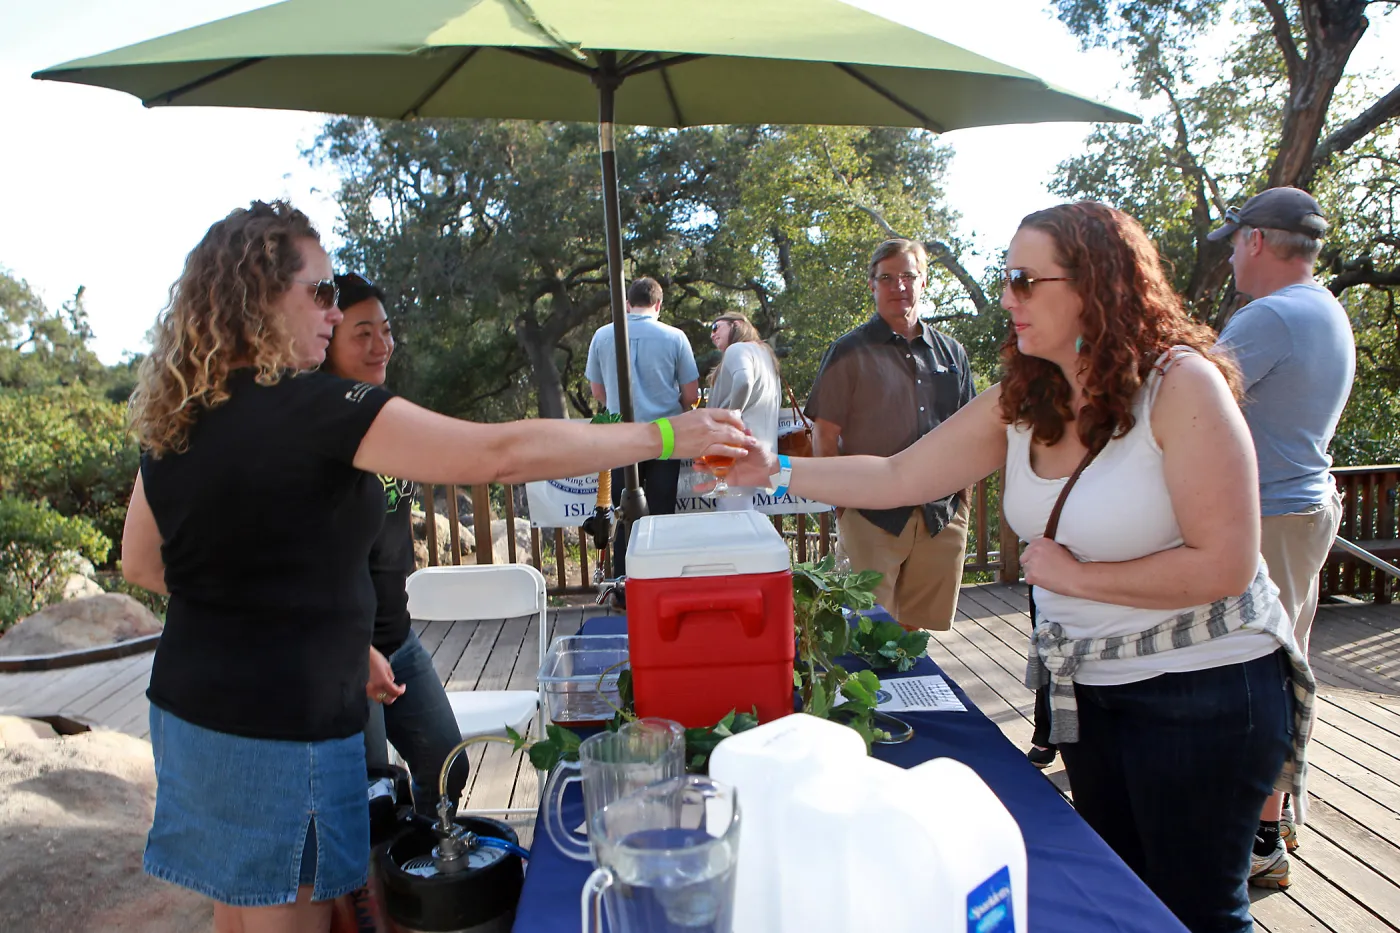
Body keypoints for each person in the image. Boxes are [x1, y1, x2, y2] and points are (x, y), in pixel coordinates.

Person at [120, 201, 750, 933]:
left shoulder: (181, 412)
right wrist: (667, 431)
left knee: (238, 913)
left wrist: (314, 629)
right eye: (319, 292)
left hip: (190, 715)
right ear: (258, 296)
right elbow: (495, 453)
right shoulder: (313, 406)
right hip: (279, 732)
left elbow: (148, 562)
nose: (333, 310)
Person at [719, 202, 1315, 933]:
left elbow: (1224, 564)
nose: (1007, 297)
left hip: (1208, 695)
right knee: (1128, 903)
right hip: (1094, 693)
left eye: (1024, 279)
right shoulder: (1025, 397)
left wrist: (1078, 578)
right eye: (1008, 279)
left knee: (1198, 913)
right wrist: (773, 469)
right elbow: (898, 475)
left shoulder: (1182, 385)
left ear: (1096, 284)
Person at [1209, 187, 1355, 888]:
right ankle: (1279, 807)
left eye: (1235, 242)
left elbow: (1185, 391)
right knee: (1288, 663)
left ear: (1258, 241)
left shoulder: (1270, 316)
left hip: (1270, 519)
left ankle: (1262, 835)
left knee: (1260, 677)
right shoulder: (1324, 308)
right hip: (1304, 512)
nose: (1232, 255)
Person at [323, 272, 466, 814]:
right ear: (327, 340)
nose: (380, 345)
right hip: (346, 648)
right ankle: (374, 892)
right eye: (362, 334)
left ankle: (425, 871)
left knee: (448, 766)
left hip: (397, 634)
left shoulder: (382, 412)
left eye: (385, 331)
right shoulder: (322, 426)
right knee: (370, 794)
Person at [804, 238, 976, 632]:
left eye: (908, 276)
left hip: (940, 515)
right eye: (887, 278)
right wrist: (843, 504)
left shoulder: (951, 354)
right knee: (865, 629)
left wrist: (962, 500)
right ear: (872, 285)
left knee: (917, 636)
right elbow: (825, 435)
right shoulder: (848, 351)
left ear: (924, 281)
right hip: (871, 515)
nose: (899, 286)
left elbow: (970, 431)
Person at [585, 276, 700, 576]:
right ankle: (661, 581)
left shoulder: (602, 336)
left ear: (627, 304)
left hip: (621, 437)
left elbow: (598, 392)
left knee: (623, 514)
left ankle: (624, 587)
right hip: (665, 435)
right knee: (661, 512)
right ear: (658, 304)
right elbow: (691, 395)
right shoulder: (675, 337)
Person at [706, 312, 781, 510]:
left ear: (737, 324)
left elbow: (743, 382)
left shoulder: (736, 349)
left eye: (716, 327)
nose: (712, 334)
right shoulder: (766, 354)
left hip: (738, 447)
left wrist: (731, 420)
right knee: (748, 514)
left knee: (732, 516)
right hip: (763, 451)